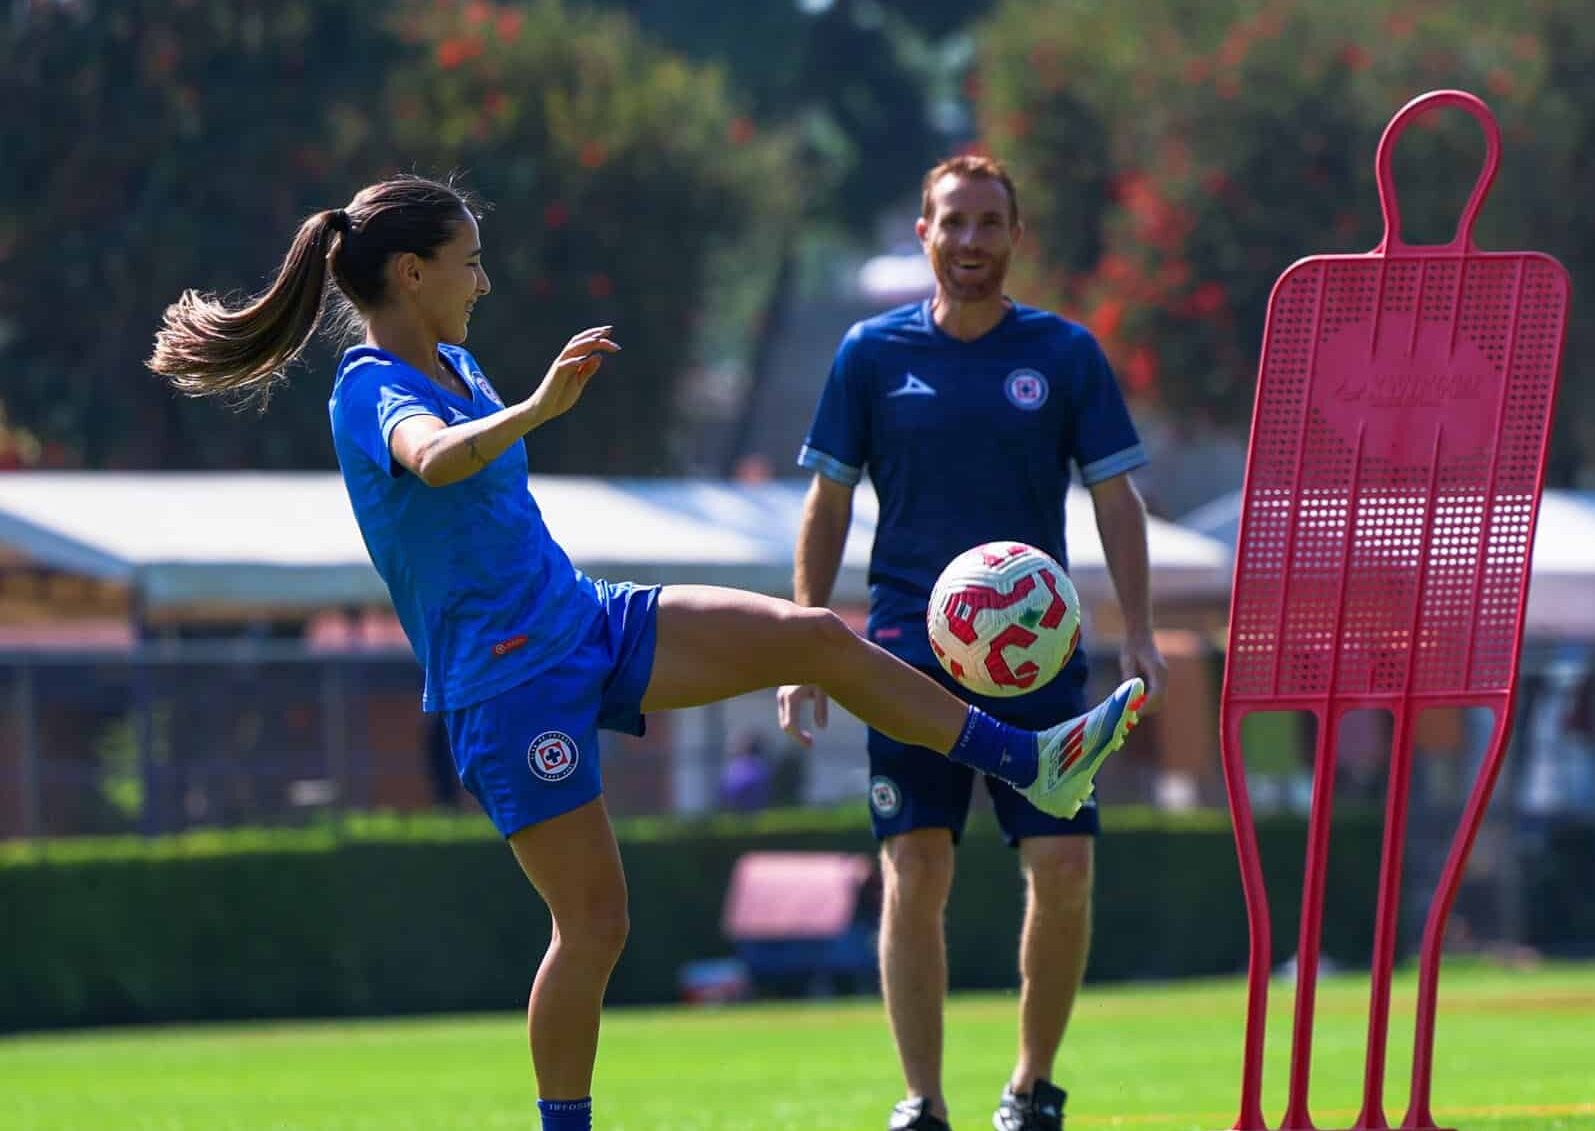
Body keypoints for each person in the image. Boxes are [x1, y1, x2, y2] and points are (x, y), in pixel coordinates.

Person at [145, 173, 1147, 1131]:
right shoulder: (369, 388)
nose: (482, 281)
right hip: (507, 684)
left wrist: (523, 406)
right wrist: (538, 408)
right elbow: (435, 460)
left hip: (587, 623)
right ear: (411, 273)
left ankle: (1033, 762)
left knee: (811, 635)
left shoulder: (456, 362)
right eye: (470, 262)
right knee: (595, 927)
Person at [776, 155, 1169, 1131]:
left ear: (1015, 237)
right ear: (923, 233)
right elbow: (825, 503)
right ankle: (924, 1102)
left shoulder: (1067, 356)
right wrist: (801, 641)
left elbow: (1117, 499)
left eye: (990, 224)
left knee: (1066, 873)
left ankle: (1031, 1089)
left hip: (1038, 664)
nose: (971, 242)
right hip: (904, 657)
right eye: (953, 223)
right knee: (917, 867)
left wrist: (1143, 634)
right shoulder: (869, 356)